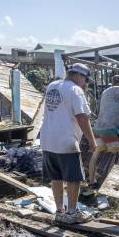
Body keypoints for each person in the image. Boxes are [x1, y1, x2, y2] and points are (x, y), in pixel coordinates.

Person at [39, 63, 96, 224]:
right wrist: (92, 141)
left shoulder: (53, 85)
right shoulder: (75, 90)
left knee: (56, 177)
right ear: (79, 76)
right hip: (66, 140)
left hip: (47, 139)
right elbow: (82, 117)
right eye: (85, 80)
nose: (86, 84)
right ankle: (72, 213)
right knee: (73, 179)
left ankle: (59, 212)